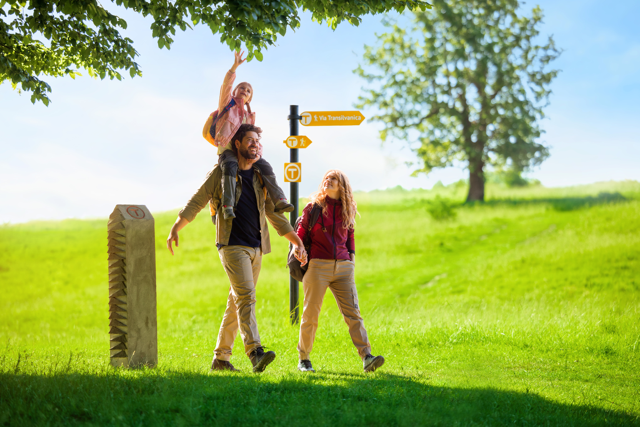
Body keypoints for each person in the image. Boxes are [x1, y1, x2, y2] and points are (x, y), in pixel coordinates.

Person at [167, 124, 307, 373]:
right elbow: (198, 199)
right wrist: (177, 226)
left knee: (237, 302)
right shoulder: (222, 173)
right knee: (246, 297)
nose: (254, 144)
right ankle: (255, 352)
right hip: (232, 245)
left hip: (256, 248)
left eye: (257, 140)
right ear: (238, 144)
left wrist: (296, 241)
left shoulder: (258, 176)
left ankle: (221, 359)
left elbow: (274, 215)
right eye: (249, 140)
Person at [295, 170, 385, 373]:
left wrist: (351, 260)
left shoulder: (348, 208)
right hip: (318, 267)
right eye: (326, 178)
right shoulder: (313, 208)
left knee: (353, 314)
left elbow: (350, 235)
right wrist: (297, 247)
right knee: (310, 315)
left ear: (342, 185)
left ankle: (367, 357)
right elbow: (300, 232)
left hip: (344, 268)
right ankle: (304, 359)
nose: (328, 180)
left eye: (333, 179)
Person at [202, 50, 293, 220]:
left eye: (248, 90)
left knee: (265, 165)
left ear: (250, 98)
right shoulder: (227, 105)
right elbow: (226, 86)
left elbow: (253, 137)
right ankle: (228, 205)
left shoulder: (250, 116)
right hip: (228, 148)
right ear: (234, 92)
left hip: (243, 150)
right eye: (241, 88)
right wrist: (234, 68)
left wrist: (257, 151)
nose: (245, 90)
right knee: (229, 165)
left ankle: (279, 199)